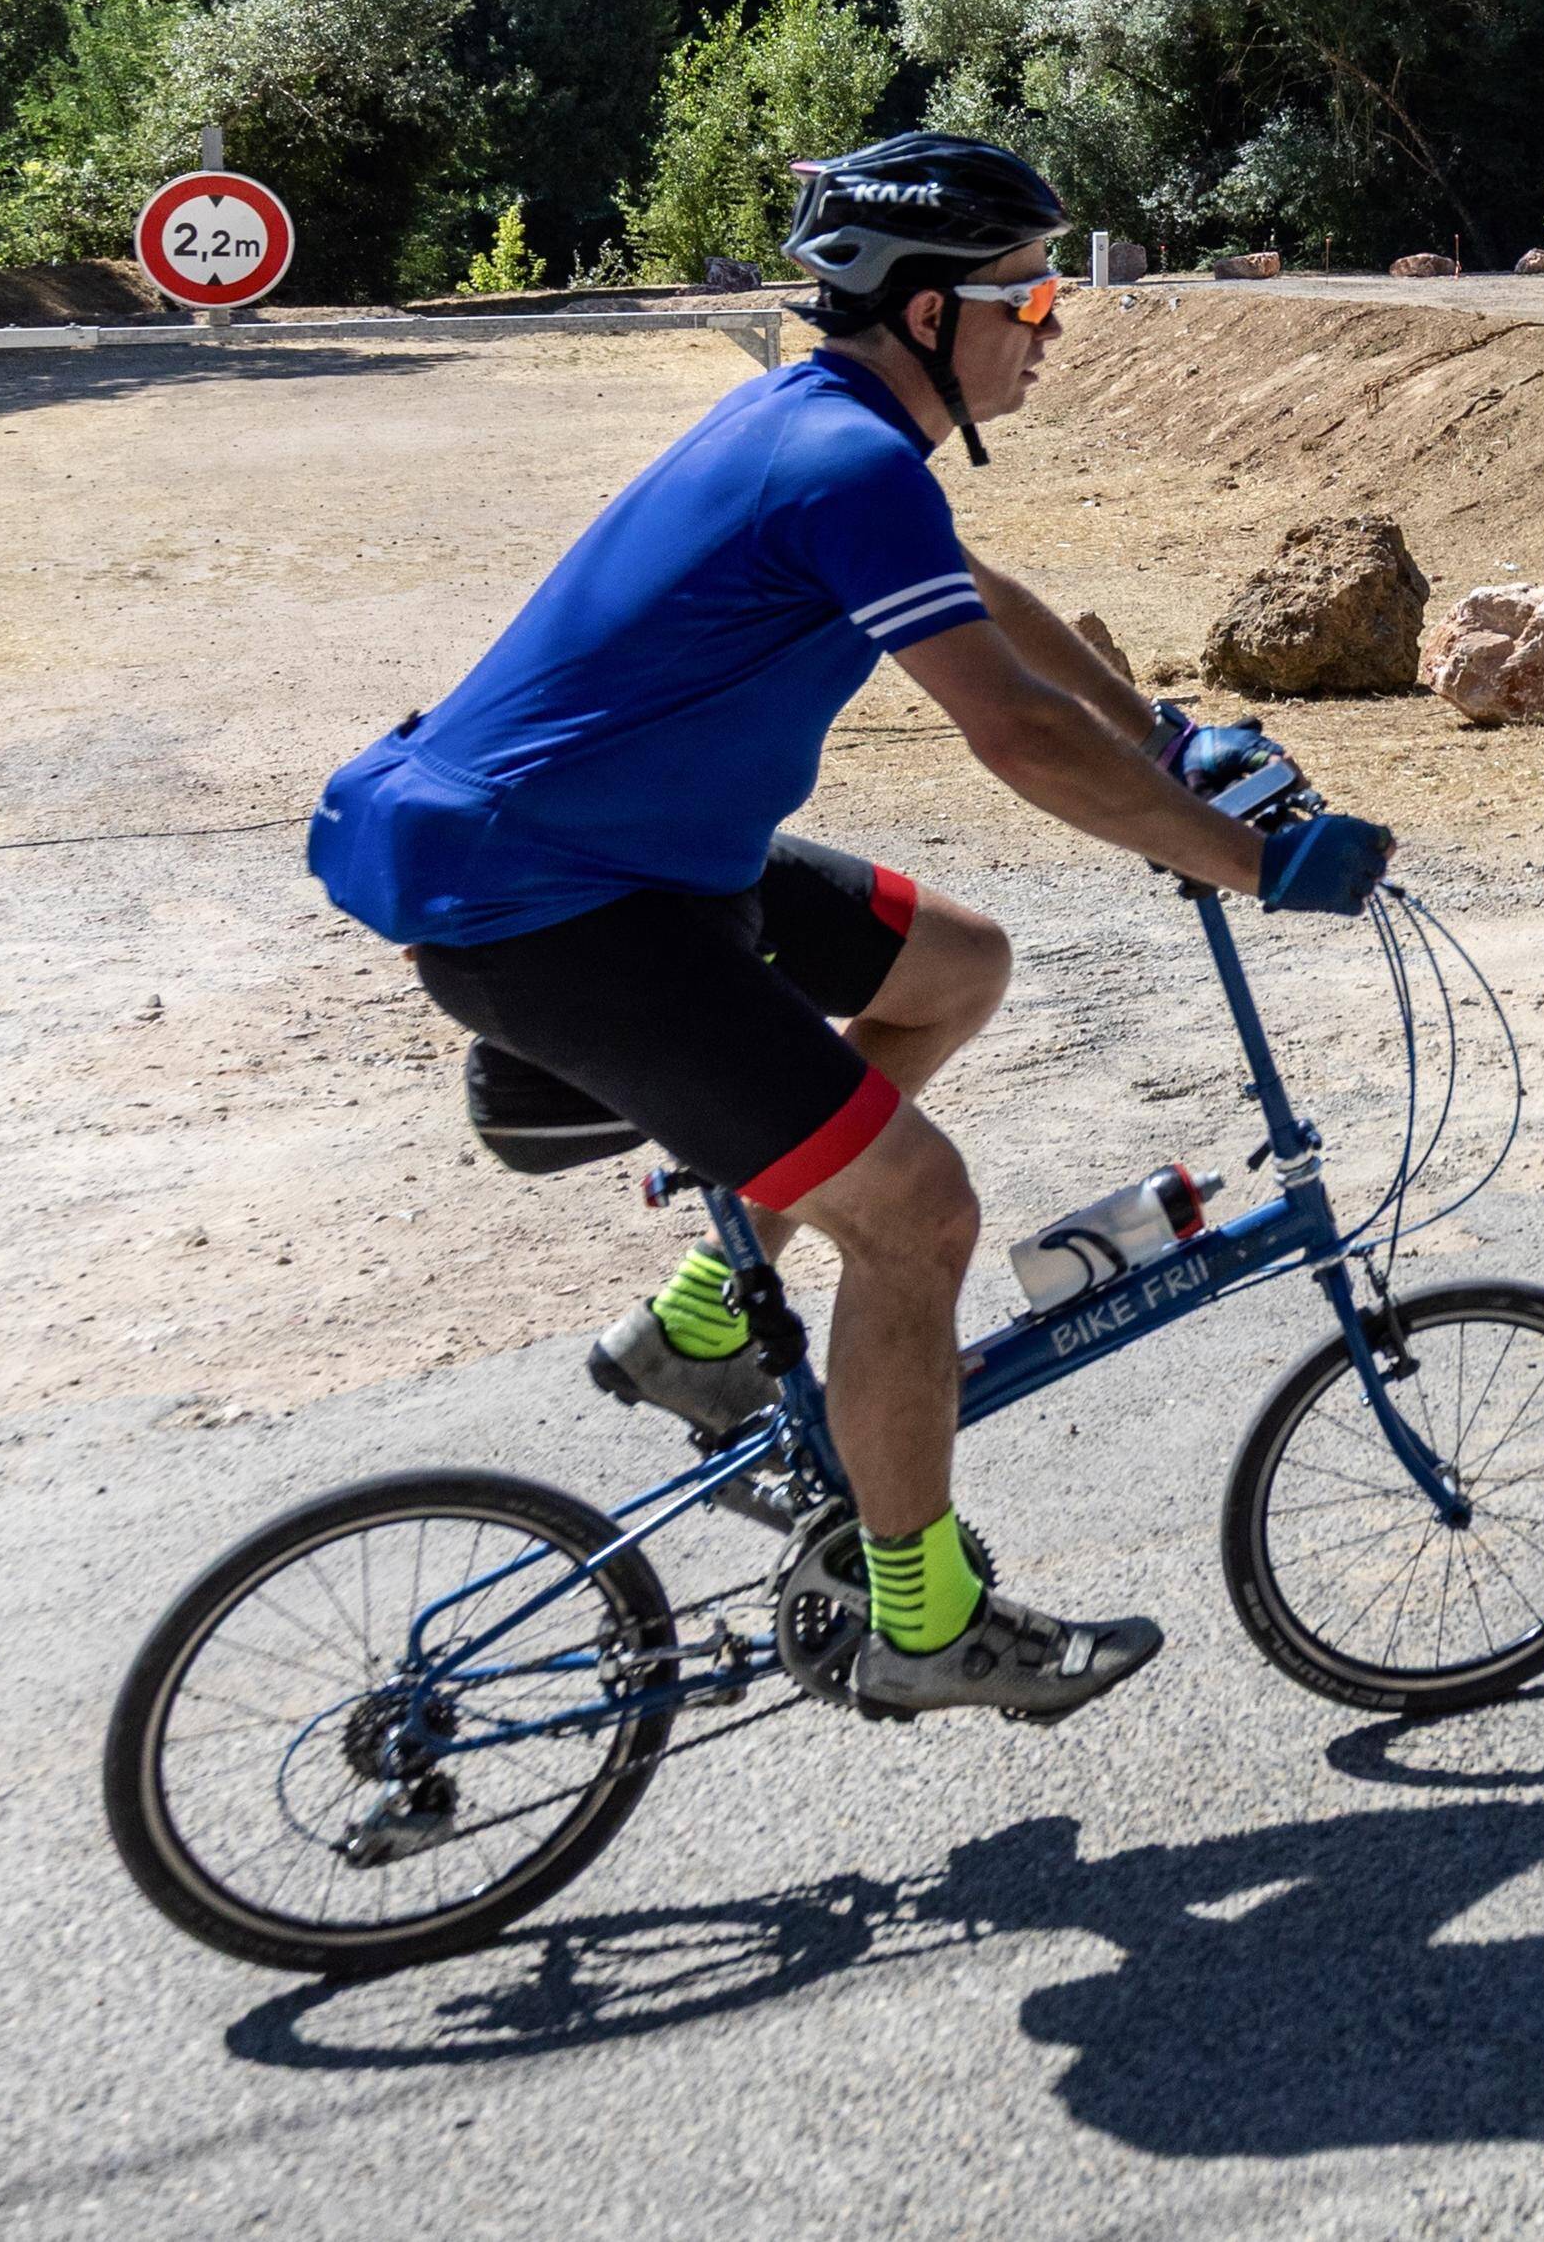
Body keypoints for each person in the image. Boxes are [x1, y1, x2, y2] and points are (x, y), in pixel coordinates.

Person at [305, 133, 1391, 1720]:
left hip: (635, 862)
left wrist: (1158, 736)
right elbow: (1009, 737)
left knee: (959, 964)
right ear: (935, 310)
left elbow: (985, 607)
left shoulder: (835, 435)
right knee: (920, 1214)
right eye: (1028, 298)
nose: (1050, 327)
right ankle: (925, 1616)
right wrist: (1247, 861)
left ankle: (698, 1325)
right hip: (554, 906)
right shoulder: (844, 460)